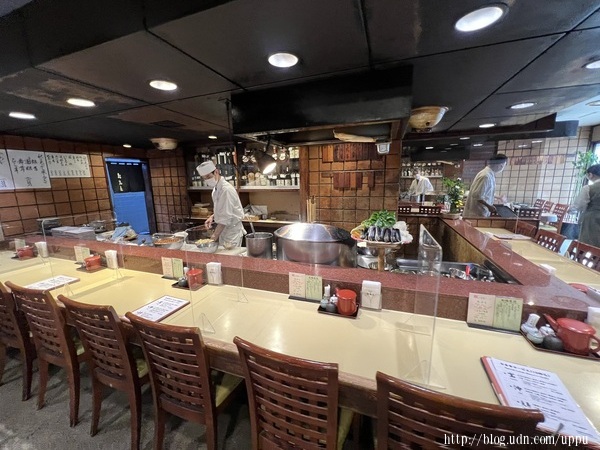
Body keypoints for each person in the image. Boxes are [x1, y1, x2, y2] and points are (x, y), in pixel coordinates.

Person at [196, 160, 246, 247]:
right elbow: (222, 208)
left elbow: (225, 218)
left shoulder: (226, 190)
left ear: (216, 172)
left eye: (208, 176)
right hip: (223, 230)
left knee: (230, 255)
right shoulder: (216, 189)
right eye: (204, 178)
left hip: (232, 231)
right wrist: (213, 216)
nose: (207, 180)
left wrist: (211, 239)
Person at [571, 164, 600, 247]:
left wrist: (570, 210)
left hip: (592, 219)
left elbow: (579, 205)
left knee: (587, 244)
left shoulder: (588, 188)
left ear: (590, 175)